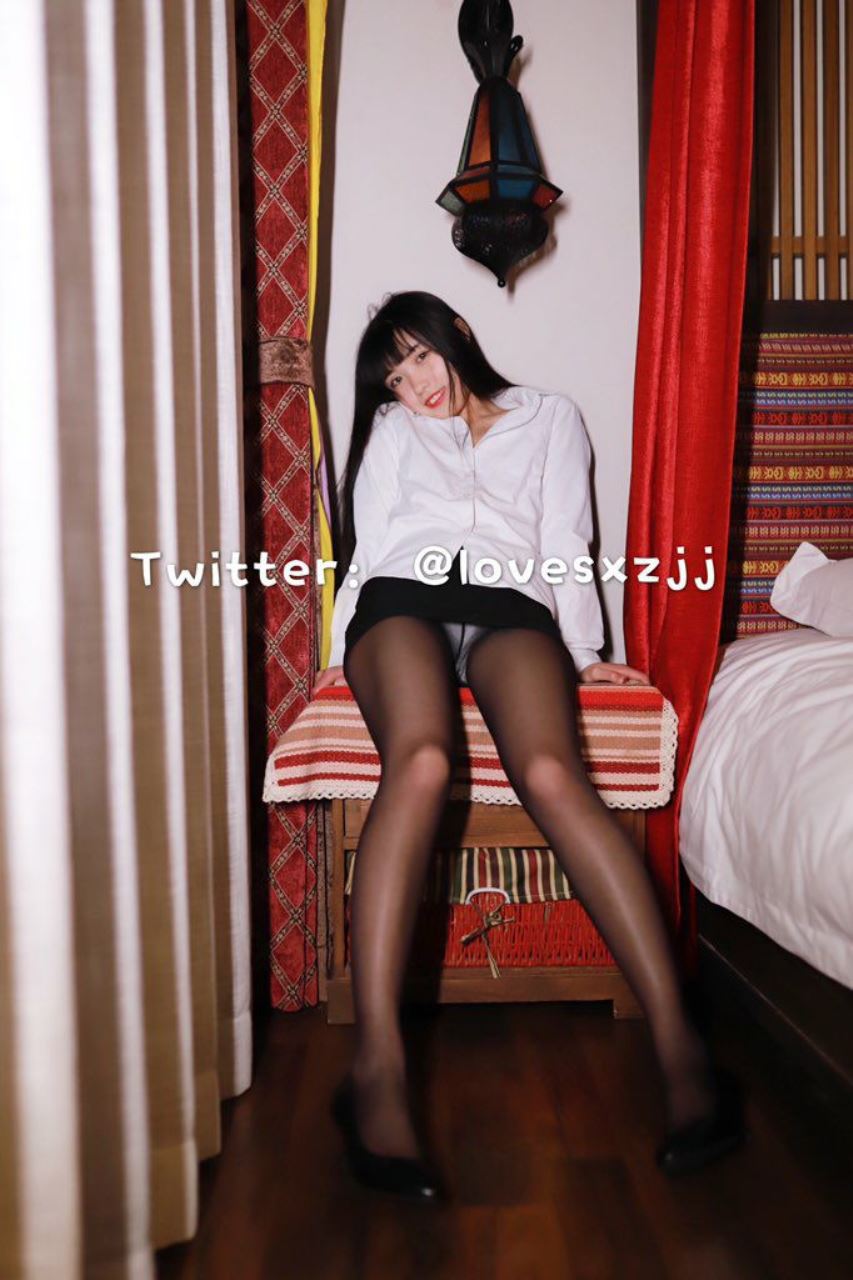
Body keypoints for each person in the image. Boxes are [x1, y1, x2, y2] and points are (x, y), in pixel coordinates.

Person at [316, 291, 744, 1200]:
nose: (414, 385)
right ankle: (376, 1073)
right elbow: (371, 545)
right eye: (395, 376)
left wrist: (583, 654)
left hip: (512, 607)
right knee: (421, 760)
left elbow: (563, 538)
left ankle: (681, 1052)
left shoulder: (550, 417)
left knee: (551, 772)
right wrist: (336, 657)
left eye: (418, 357)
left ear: (457, 336)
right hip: (401, 601)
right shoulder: (392, 431)